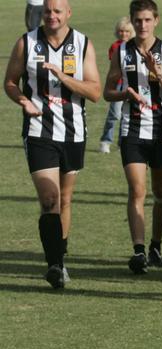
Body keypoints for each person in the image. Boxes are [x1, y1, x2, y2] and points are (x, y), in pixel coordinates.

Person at [4, 0, 101, 288]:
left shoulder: (83, 44)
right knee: (50, 199)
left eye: (58, 11)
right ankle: (55, 265)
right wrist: (22, 100)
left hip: (73, 132)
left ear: (68, 13)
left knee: (65, 200)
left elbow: (95, 92)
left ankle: (61, 257)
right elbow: (10, 81)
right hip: (38, 130)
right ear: (41, 13)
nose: (52, 16)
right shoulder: (26, 43)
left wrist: (63, 77)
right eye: (47, 11)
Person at [103, 0, 162, 274]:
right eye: (138, 20)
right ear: (131, 21)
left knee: (161, 191)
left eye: (147, 20)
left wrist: (159, 74)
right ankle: (138, 251)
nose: (142, 25)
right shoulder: (122, 52)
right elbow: (107, 92)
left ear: (156, 21)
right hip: (132, 129)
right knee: (137, 189)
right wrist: (124, 93)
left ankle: (156, 245)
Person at [99, 17, 135, 154]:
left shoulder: (135, 45)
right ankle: (106, 141)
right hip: (118, 85)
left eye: (127, 31)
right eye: (121, 31)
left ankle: (122, 142)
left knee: (127, 115)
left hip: (131, 85)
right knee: (115, 114)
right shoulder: (115, 47)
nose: (124, 34)